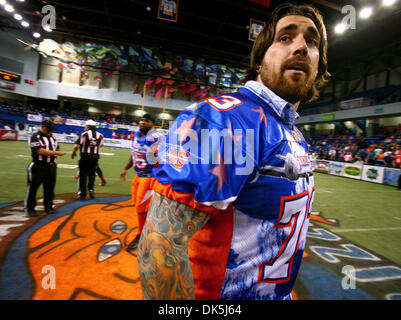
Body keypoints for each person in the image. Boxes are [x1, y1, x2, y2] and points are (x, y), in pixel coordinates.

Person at [137, 3, 330, 300]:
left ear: (320, 64)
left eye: (312, 41)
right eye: (285, 38)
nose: (302, 47)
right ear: (259, 59)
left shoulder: (292, 132)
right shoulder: (228, 120)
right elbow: (161, 244)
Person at [120, 114, 162, 252]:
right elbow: (134, 154)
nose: (143, 122)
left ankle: (141, 236)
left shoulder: (155, 138)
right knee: (138, 205)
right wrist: (126, 169)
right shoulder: (136, 135)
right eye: (142, 120)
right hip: (138, 176)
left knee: (141, 207)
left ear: (153, 124)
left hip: (149, 177)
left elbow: (162, 158)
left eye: (147, 121)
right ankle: (149, 228)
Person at [24, 120, 66, 216]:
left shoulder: (52, 138)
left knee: (50, 188)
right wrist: (56, 153)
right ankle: (29, 208)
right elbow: (39, 151)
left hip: (51, 166)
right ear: (42, 127)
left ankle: (48, 206)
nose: (49, 132)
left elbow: (57, 148)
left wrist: (59, 151)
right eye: (48, 129)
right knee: (33, 188)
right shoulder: (35, 137)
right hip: (38, 166)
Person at [71, 120, 104, 200]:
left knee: (82, 175)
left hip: (85, 156)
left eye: (85, 126)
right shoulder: (100, 135)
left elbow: (76, 146)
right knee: (92, 174)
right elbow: (101, 145)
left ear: (88, 126)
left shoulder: (84, 134)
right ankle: (91, 189)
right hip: (95, 157)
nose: (85, 128)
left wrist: (74, 152)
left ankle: (82, 194)